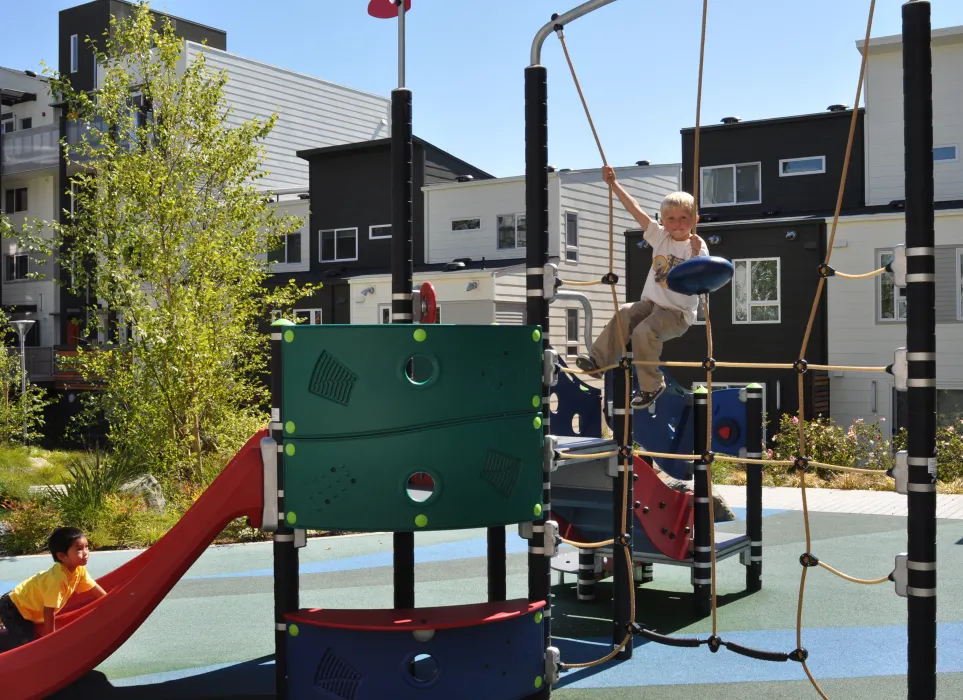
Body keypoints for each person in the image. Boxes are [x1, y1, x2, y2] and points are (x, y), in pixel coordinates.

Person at [576, 165, 708, 409]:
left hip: (676, 314)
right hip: (651, 304)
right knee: (626, 311)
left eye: (684, 218)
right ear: (663, 221)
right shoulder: (660, 237)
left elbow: (704, 276)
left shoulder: (696, 246)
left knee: (642, 332)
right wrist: (614, 185)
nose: (677, 223)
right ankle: (598, 362)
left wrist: (698, 253)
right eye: (671, 218)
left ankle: (651, 386)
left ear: (695, 220)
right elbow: (634, 208)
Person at [0, 527, 106, 648]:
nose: (86, 552)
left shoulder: (79, 570)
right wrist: (51, 639)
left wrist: (110, 600)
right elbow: (48, 610)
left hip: (24, 605)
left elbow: (94, 588)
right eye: (79, 549)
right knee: (24, 643)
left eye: (86, 547)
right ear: (62, 556)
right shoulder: (58, 579)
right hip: (14, 607)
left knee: (24, 631)